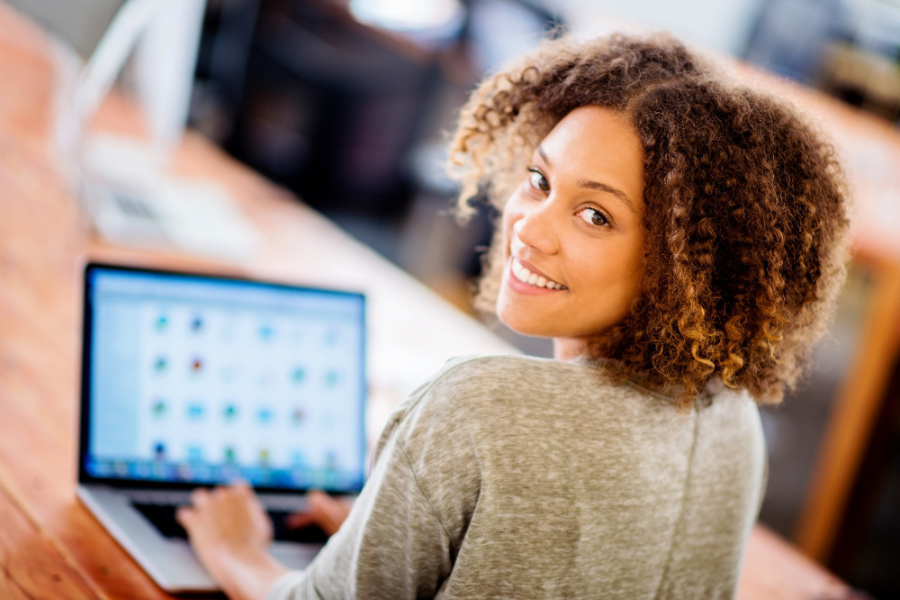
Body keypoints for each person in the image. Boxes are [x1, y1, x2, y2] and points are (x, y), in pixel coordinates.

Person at [175, 33, 850, 600]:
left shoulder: (475, 408)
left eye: (595, 215)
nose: (529, 227)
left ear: (688, 267)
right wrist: (397, 527)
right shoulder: (729, 420)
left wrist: (238, 554)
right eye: (540, 180)